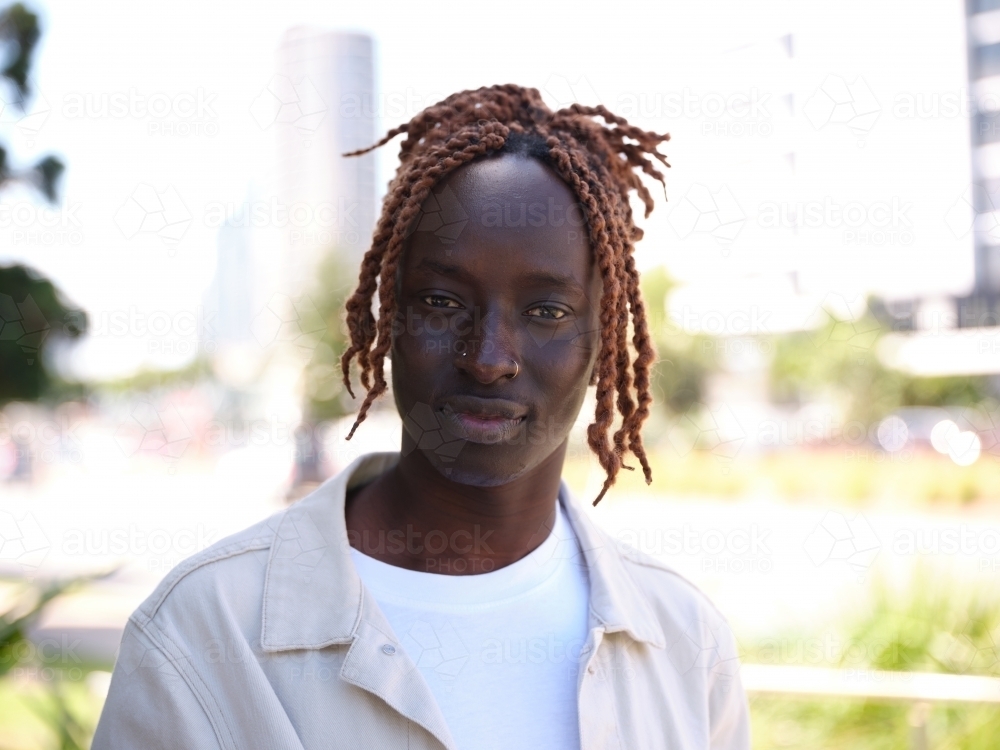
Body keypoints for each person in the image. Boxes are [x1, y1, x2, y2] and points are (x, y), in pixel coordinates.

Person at [93, 84, 750, 750]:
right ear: (387, 317)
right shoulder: (202, 633)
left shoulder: (686, 644)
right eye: (441, 301)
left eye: (547, 310)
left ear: (603, 338)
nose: (489, 358)